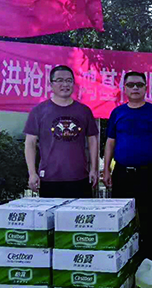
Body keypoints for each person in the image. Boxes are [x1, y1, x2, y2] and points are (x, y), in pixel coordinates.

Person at [102, 71, 152, 260]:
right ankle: (121, 259)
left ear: (145, 88)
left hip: (147, 174)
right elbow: (110, 142)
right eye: (131, 84)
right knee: (120, 217)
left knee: (148, 218)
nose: (135, 88)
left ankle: (148, 261)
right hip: (121, 173)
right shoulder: (117, 112)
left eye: (139, 85)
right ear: (124, 88)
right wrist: (106, 169)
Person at [24, 65, 99, 199]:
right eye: (60, 80)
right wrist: (32, 173)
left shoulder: (84, 111)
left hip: (79, 177)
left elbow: (92, 140)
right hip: (49, 178)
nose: (65, 84)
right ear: (51, 84)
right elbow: (30, 143)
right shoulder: (39, 111)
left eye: (69, 80)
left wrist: (94, 169)